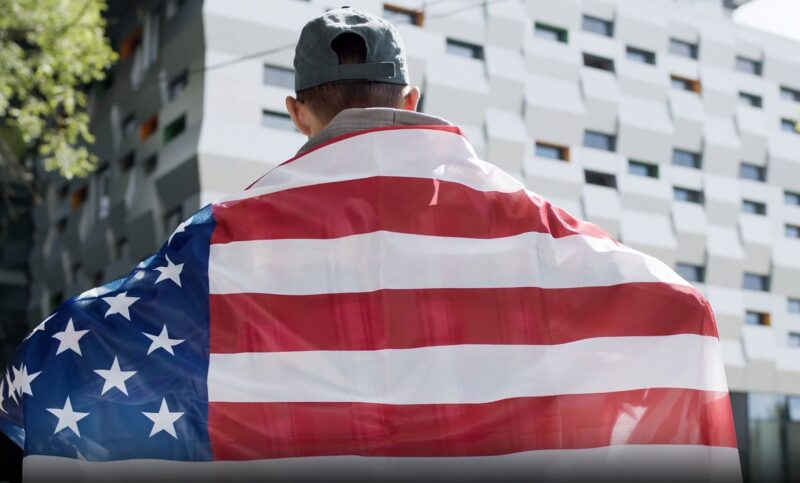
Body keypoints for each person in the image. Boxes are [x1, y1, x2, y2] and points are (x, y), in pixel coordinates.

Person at [0, 6, 739, 482]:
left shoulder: (218, 243)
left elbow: (54, 359)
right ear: (411, 100)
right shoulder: (533, 226)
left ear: (297, 112)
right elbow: (674, 306)